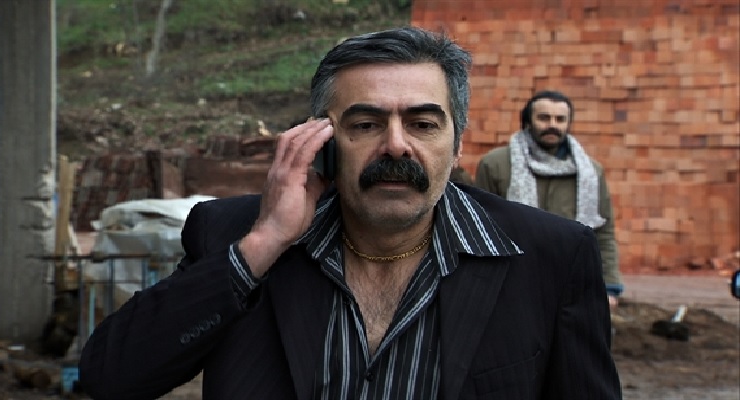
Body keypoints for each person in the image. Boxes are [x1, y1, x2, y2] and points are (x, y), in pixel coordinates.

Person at [79, 27, 621, 399]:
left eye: (423, 124)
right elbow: (110, 378)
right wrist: (264, 242)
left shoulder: (549, 256)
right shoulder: (233, 236)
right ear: (320, 141)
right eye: (365, 124)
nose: (396, 145)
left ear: (457, 145)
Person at [474, 90, 624, 310]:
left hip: (571, 280)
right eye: (544, 118)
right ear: (527, 121)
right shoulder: (496, 164)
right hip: (511, 280)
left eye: (560, 119)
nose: (552, 125)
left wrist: (609, 286)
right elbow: (479, 227)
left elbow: (603, 231)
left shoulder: (591, 172)